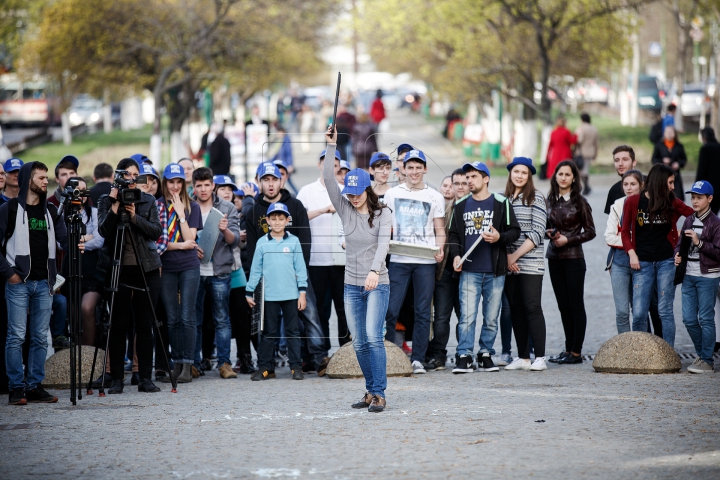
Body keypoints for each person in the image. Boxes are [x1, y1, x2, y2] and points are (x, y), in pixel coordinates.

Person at [323, 126, 391, 411]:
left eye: (357, 193)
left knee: (374, 338)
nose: (353, 197)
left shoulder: (383, 212)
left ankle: (380, 393)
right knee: (359, 342)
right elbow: (328, 180)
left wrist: (375, 271)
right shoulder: (345, 210)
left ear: (367, 189)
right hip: (351, 284)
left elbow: (384, 244)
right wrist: (331, 147)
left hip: (377, 283)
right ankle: (369, 390)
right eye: (349, 193)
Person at [245, 163, 328, 374]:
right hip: (268, 278)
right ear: (259, 182)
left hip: (296, 274)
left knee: (310, 315)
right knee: (266, 324)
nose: (271, 184)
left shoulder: (296, 205)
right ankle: (267, 366)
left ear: (282, 181)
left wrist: (298, 272)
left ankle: (318, 359)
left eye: (275, 179)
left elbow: (305, 240)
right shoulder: (253, 211)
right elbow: (254, 248)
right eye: (266, 180)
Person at [1, 161, 67, 405]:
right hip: (18, 283)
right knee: (16, 336)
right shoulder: (9, 209)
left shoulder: (50, 210)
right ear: (28, 179)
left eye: (46, 177)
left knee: (40, 337)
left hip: (44, 284)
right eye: (40, 177)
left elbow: (64, 240)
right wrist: (10, 274)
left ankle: (34, 386)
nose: (45, 181)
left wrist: (77, 239)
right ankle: (16, 387)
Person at [96, 158, 163, 394]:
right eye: (127, 175)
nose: (132, 179)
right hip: (118, 268)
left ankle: (145, 378)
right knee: (117, 325)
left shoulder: (148, 200)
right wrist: (115, 206)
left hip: (146, 269)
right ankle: (116, 380)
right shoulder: (107, 200)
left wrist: (134, 217)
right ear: (119, 177)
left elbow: (156, 232)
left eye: (137, 175)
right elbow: (103, 231)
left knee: (145, 324)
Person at [448, 162, 520, 374]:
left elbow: (514, 231)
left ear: (486, 179)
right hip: (469, 270)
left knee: (490, 317)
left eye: (474, 177)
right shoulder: (460, 204)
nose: (469, 181)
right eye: (467, 177)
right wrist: (456, 255)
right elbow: (453, 235)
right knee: (467, 317)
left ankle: (485, 352)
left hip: (494, 271)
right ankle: (465, 355)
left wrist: (499, 237)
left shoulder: (501, 202)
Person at [383, 149, 446, 375]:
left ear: (425, 169)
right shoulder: (392, 194)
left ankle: (418, 359)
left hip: (425, 261)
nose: (415, 171)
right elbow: (384, 226)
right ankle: (391, 356)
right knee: (390, 310)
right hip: (399, 259)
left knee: (422, 312)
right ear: (403, 169)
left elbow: (440, 230)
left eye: (419, 167)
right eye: (410, 167)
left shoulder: (435, 196)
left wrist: (440, 250)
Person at [621, 163, 693, 348]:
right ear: (660, 182)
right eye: (670, 182)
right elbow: (624, 231)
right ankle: (640, 352)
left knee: (665, 310)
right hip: (641, 262)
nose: (673, 187)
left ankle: (668, 353)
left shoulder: (672, 202)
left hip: (666, 261)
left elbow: (694, 216)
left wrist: (682, 239)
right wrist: (631, 254)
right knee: (638, 313)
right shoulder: (633, 202)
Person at [297, 149, 350, 358]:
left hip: (342, 261)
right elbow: (298, 218)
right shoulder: (307, 191)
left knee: (344, 310)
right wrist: (324, 210)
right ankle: (322, 355)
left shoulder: (347, 190)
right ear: (320, 165)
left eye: (335, 163)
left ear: (338, 167)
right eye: (326, 162)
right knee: (320, 310)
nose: (330, 166)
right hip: (316, 261)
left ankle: (346, 352)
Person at [246, 202, 307, 381]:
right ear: (268, 220)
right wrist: (249, 291)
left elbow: (301, 269)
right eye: (274, 218)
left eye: (281, 218)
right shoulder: (262, 243)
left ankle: (296, 367)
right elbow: (255, 269)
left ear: (288, 220)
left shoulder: (294, 241)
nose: (278, 222)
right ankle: (265, 367)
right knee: (267, 332)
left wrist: (302, 292)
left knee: (293, 332)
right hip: (269, 296)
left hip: (291, 295)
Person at [192, 169, 241, 379]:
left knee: (222, 318)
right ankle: (193, 363)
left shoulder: (227, 207)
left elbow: (235, 240)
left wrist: (225, 230)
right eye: (199, 185)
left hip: (219, 270)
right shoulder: (188, 206)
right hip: (193, 271)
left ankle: (224, 363)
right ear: (193, 187)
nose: (203, 189)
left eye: (206, 185)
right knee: (194, 319)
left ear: (213, 185)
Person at [546, 160, 596, 365]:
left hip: (574, 259)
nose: (564, 177)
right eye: (560, 174)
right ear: (555, 176)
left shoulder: (580, 202)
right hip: (554, 258)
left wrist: (569, 239)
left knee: (575, 304)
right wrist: (549, 233)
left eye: (568, 174)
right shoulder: (549, 200)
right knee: (563, 305)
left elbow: (590, 232)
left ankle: (576, 351)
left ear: (574, 178)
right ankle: (568, 349)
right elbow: (544, 225)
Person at [157, 163, 202, 384]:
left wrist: (181, 215)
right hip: (166, 267)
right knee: (172, 318)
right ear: (165, 183)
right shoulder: (156, 207)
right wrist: (178, 245)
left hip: (189, 266)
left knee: (187, 316)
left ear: (184, 184)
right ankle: (176, 364)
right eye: (171, 181)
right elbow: (158, 242)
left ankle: (187, 364)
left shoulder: (192, 207)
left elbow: (190, 240)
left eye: (178, 182)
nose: (174, 186)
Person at [503, 157, 548, 371]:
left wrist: (515, 256)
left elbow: (538, 232)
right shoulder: (504, 199)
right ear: (510, 173)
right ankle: (523, 357)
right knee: (516, 309)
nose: (519, 175)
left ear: (529, 175)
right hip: (510, 263)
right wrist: (507, 257)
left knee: (532, 307)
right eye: (516, 171)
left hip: (530, 263)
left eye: (524, 172)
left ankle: (539, 356)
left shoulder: (536, 197)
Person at [424, 168, 469, 371]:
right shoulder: (444, 207)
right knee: (441, 315)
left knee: (464, 316)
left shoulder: (473, 207)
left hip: (467, 271)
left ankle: (464, 352)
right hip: (445, 271)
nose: (457, 187)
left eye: (461, 183)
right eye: (453, 184)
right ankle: (438, 354)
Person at [674, 180, 720, 374]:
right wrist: (677, 254)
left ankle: (707, 360)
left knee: (706, 318)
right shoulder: (688, 219)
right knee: (689, 319)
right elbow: (679, 244)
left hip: (708, 276)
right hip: (688, 275)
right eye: (692, 197)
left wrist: (699, 242)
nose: (694, 201)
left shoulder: (715, 223)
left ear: (709, 199)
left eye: (699, 197)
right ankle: (703, 355)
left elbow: (718, 252)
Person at [61, 177, 105, 347]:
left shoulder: (94, 212)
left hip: (91, 267)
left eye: (84, 190)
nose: (82, 194)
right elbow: (62, 241)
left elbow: (100, 239)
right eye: (77, 190)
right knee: (73, 313)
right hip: (70, 266)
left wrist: (80, 241)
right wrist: (88, 237)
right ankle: (77, 351)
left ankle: (89, 350)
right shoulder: (63, 213)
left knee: (87, 308)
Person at [605, 170, 644, 334]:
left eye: (633, 184)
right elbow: (609, 237)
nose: (629, 188)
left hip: (643, 263)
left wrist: (626, 238)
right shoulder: (617, 206)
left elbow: (651, 237)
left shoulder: (647, 205)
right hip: (620, 263)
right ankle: (625, 351)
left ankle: (643, 349)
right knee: (622, 312)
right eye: (626, 184)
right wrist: (632, 243)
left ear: (641, 186)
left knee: (640, 312)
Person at [652, 125, 686, 201]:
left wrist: (678, 164)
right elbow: (654, 159)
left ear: (675, 133)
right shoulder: (659, 145)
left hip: (675, 175)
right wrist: (662, 161)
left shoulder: (679, 146)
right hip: (662, 175)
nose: (669, 134)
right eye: (667, 132)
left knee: (677, 198)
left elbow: (684, 159)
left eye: (671, 132)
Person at [604, 145, 637, 214]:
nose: (620, 164)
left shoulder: (648, 184)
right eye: (617, 160)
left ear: (634, 162)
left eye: (625, 159)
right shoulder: (614, 190)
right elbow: (613, 221)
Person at [695, 127, 720, 214]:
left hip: (708, 188)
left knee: (707, 215)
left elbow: (702, 169)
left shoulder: (705, 149)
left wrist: (697, 186)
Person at [575, 113, 598, 195]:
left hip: (581, 152)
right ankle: (586, 187)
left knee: (581, 171)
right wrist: (596, 153)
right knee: (586, 169)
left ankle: (586, 186)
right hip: (590, 151)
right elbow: (596, 143)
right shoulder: (594, 128)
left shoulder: (581, 128)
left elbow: (579, 140)